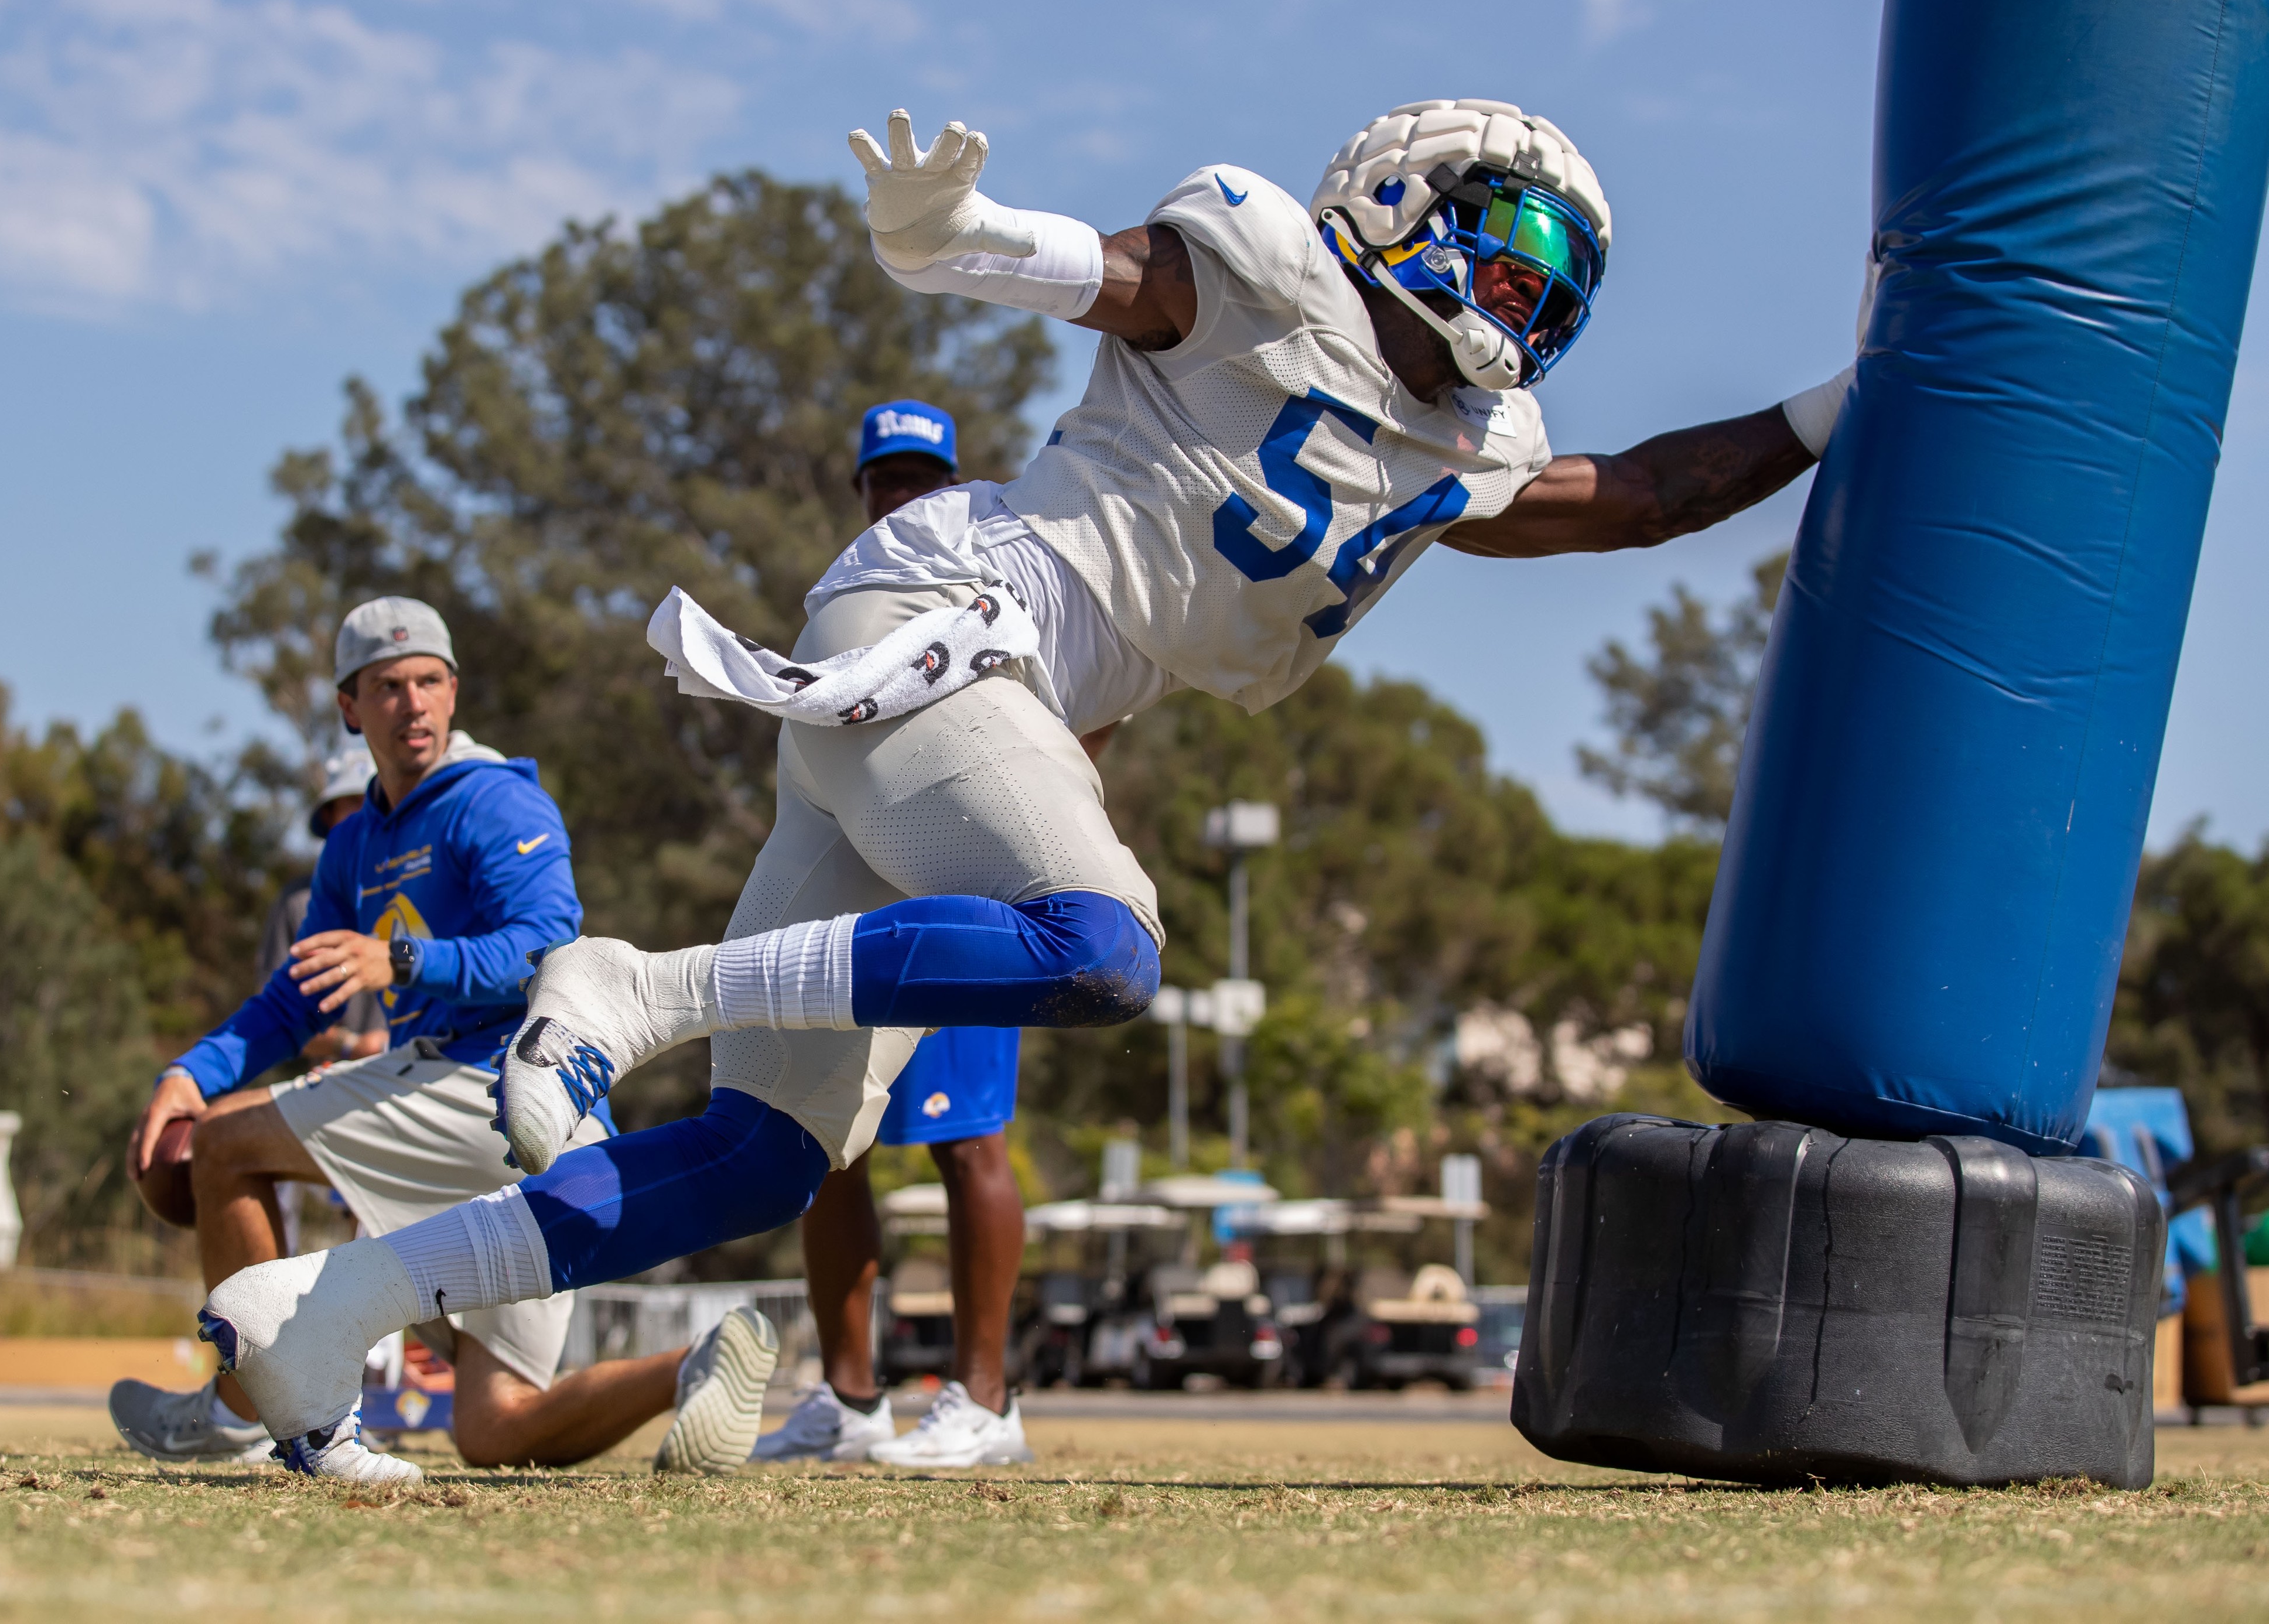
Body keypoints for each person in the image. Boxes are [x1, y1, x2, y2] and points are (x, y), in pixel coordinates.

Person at [199, 100, 1852, 1478]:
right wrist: (954, 233)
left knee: (761, 1159)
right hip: (945, 623)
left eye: (1554, 273)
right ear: (1398, 205)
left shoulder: (1464, 446)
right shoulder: (1271, 275)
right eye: (1507, 243)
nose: (1526, 288)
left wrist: (1858, 392)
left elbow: (1648, 493)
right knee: (1102, 948)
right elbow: (1100, 274)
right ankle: (644, 988)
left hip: (951, 697)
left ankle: (338, 1304)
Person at [111, 597, 777, 1483]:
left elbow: (551, 947)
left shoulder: (495, 800)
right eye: (388, 686)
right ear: (349, 707)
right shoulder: (353, 845)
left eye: (430, 681)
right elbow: (296, 999)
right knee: (496, 1429)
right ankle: (696, 1364)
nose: (413, 703)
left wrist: (401, 959)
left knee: (228, 1144)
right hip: (513, 1124)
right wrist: (192, 1074)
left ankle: (241, 1410)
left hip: (503, 1087)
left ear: (455, 692)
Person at [751, 401, 1034, 1468]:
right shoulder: (841, 606)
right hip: (854, 902)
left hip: (966, 893)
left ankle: (987, 1404)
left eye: (923, 478)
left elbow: (1069, 720)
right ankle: (850, 1402)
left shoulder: (994, 593)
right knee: (830, 1141)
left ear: (953, 486)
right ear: (863, 492)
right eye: (886, 479)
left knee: (969, 1143)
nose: (903, 495)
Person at [262, 748, 390, 1071]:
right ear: (329, 815)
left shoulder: (423, 884)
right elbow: (274, 1018)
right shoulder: (298, 903)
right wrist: (350, 1045)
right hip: (334, 1079)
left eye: (374, 801)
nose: (365, 813)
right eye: (353, 802)